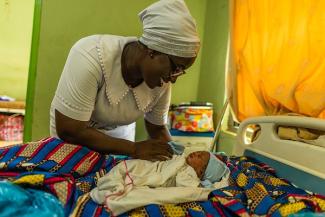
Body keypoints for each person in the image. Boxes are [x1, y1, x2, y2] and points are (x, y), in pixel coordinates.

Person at [49, 0, 201, 161]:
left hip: (122, 144)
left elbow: (157, 129)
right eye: (176, 68)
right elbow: (70, 130)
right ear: (153, 51)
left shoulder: (161, 81)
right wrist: (133, 148)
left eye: (181, 72)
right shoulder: (90, 55)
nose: (174, 79)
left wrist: (181, 160)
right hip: (74, 144)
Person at [90, 151, 230, 215]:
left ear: (200, 172)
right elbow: (163, 164)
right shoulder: (181, 159)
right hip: (154, 167)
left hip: (157, 175)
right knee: (134, 165)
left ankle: (119, 186)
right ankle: (120, 179)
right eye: (198, 152)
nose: (196, 153)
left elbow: (186, 186)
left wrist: (205, 187)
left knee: (135, 171)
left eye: (200, 157)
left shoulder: (190, 173)